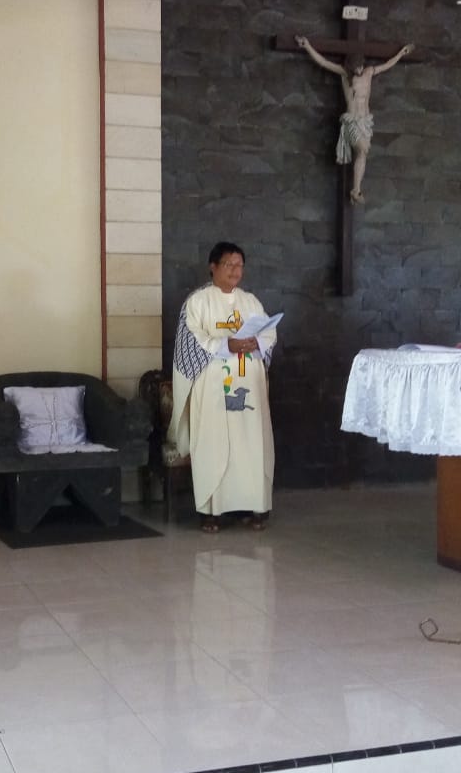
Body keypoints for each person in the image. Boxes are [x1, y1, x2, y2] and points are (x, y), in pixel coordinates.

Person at [169, 242, 276, 533]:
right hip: (213, 386)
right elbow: (190, 340)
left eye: (239, 265)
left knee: (251, 444)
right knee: (214, 444)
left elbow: (269, 333)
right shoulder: (198, 301)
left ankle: (255, 506)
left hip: (249, 383)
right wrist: (227, 344)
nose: (235, 271)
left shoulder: (250, 301)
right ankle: (211, 512)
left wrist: (257, 342)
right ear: (213, 266)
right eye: (229, 264)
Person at [295, 35, 414, 204]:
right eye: (356, 67)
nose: (359, 69)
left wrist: (401, 53)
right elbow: (323, 62)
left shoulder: (369, 72)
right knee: (363, 148)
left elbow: (387, 65)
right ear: (350, 66)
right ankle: (355, 191)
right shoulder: (344, 74)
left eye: (361, 66)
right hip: (352, 121)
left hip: (365, 122)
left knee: (362, 154)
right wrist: (307, 46)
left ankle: (356, 190)